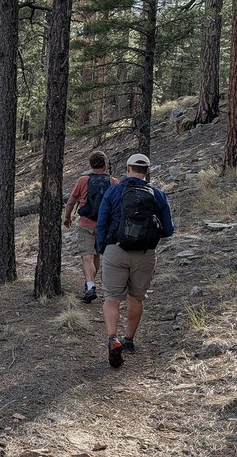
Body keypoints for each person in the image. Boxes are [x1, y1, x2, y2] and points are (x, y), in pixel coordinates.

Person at [95, 153, 174, 368]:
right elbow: (168, 230)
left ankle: (113, 338)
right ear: (147, 171)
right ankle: (129, 340)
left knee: (112, 298)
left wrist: (104, 248)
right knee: (136, 297)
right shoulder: (158, 195)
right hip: (144, 254)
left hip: (115, 250)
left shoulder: (113, 191)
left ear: (128, 169)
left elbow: (102, 223)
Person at [63, 151, 117, 304]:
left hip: (86, 224)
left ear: (91, 165)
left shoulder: (83, 180)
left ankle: (90, 286)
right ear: (105, 165)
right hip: (104, 226)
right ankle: (90, 284)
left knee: (87, 256)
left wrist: (67, 217)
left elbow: (71, 200)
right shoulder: (113, 182)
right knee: (96, 255)